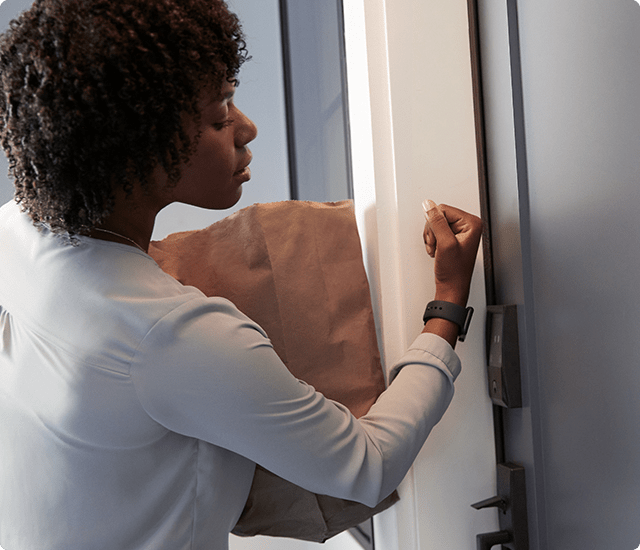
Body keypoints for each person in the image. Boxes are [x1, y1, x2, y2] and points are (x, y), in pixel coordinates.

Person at [0, 1, 483, 549]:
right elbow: (367, 465)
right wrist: (447, 300)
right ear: (139, 146)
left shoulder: (16, 230)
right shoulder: (171, 333)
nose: (247, 128)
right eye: (219, 115)